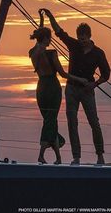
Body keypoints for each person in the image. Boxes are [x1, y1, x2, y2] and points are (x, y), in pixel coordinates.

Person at [42, 8, 111, 165]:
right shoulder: (73, 45)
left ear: (89, 37)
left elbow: (106, 74)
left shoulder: (98, 53)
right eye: (79, 38)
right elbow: (59, 32)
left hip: (87, 90)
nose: (81, 41)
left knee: (94, 122)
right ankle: (76, 157)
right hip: (72, 89)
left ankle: (100, 156)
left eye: (84, 39)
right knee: (72, 122)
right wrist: (51, 16)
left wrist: (94, 84)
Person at [29, 12, 88, 165]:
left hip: (40, 88)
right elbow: (62, 74)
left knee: (49, 120)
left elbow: (39, 36)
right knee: (50, 120)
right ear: (47, 38)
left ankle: (58, 158)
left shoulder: (33, 52)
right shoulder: (51, 54)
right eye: (50, 38)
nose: (51, 40)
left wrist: (42, 20)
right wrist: (80, 79)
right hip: (52, 88)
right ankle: (42, 154)